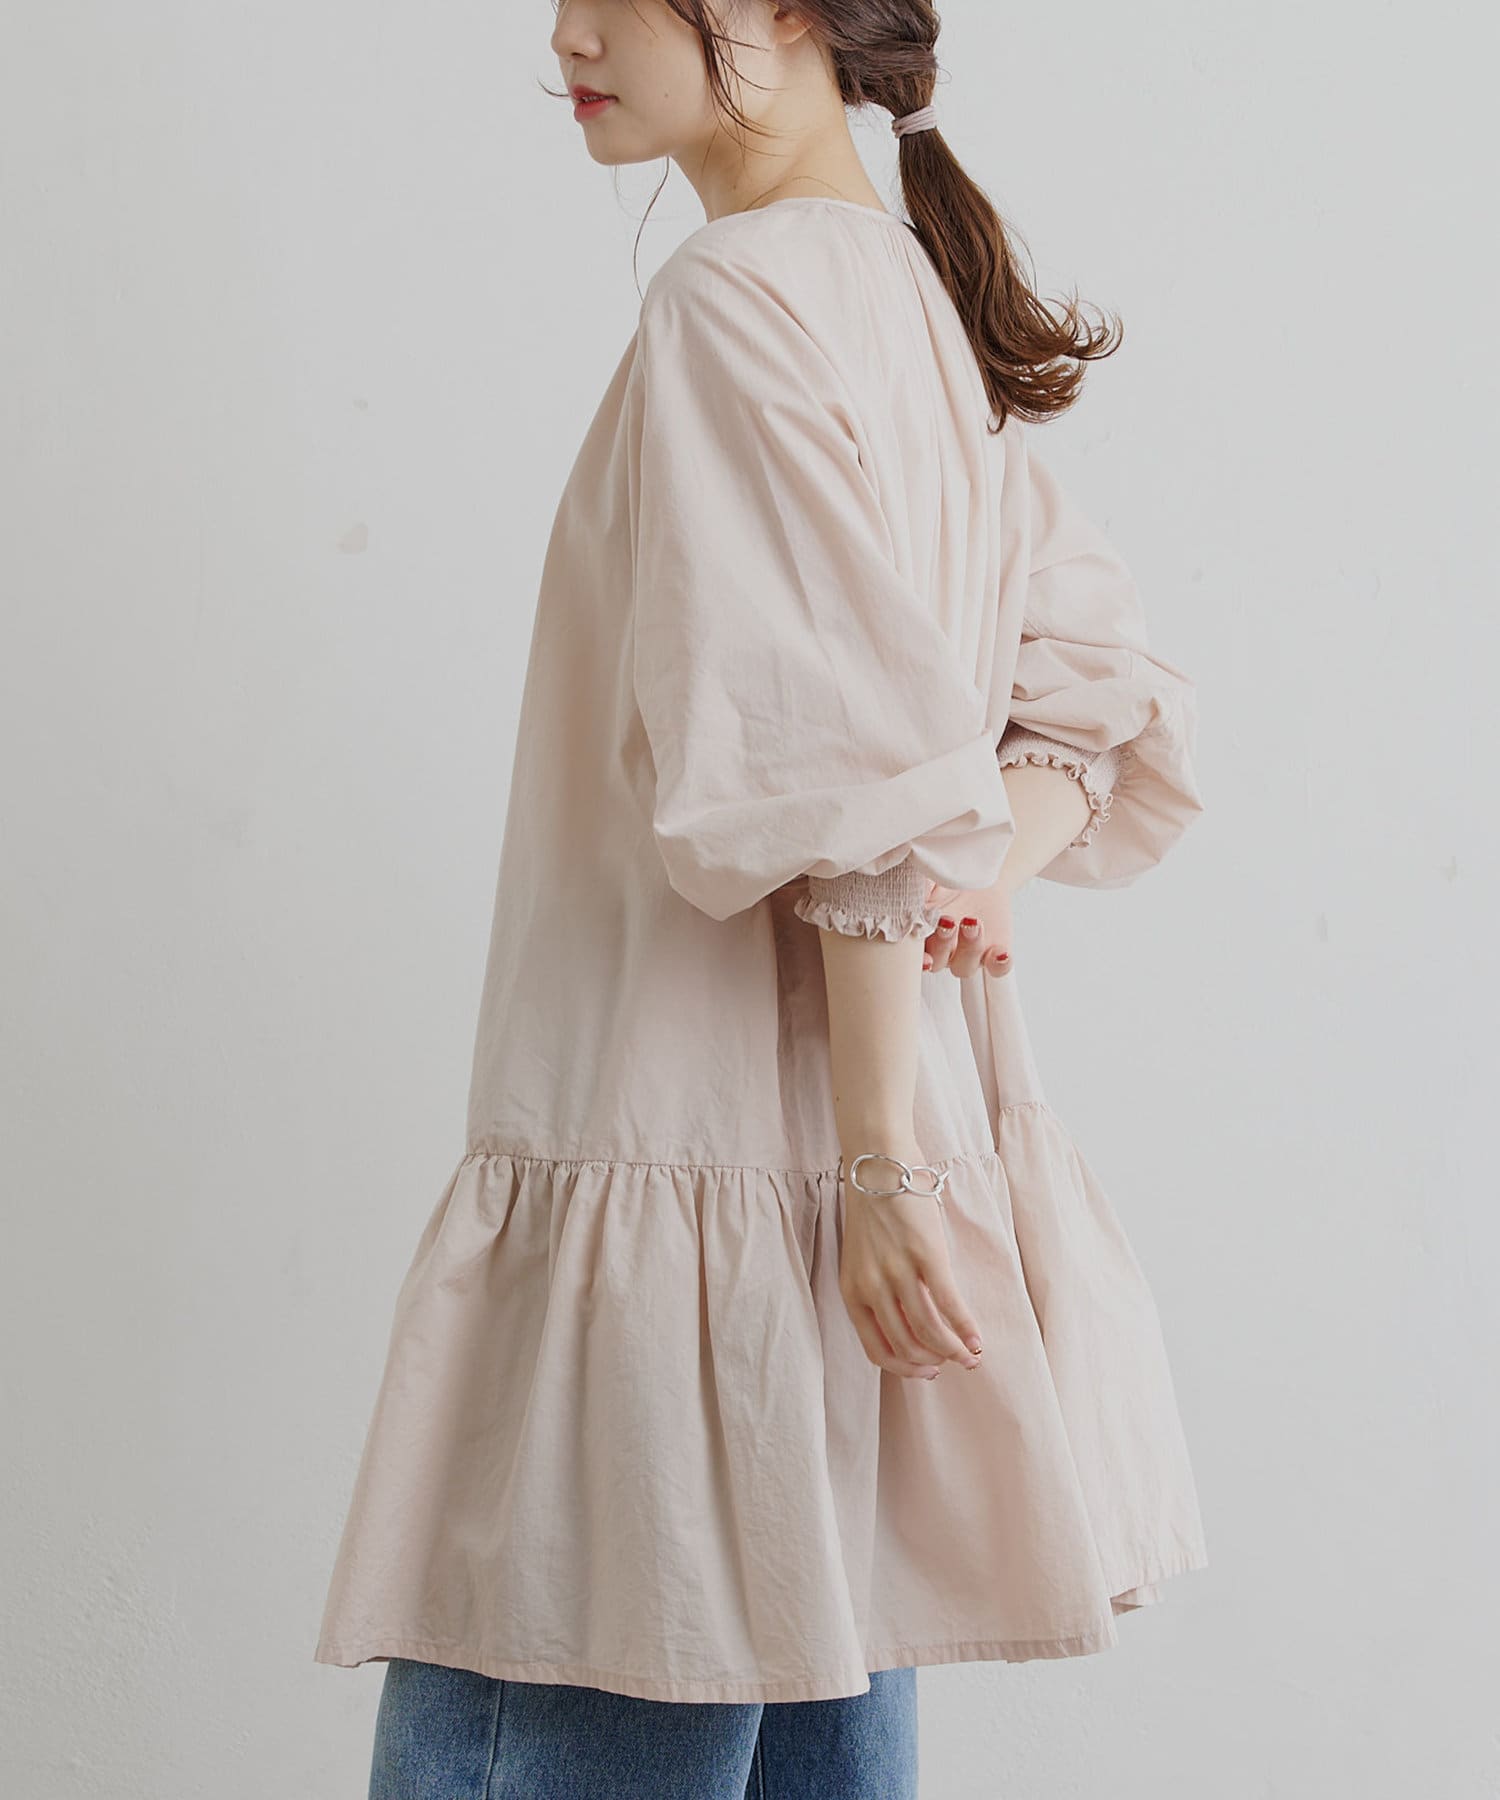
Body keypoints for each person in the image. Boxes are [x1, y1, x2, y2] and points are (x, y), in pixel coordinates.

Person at [314, 2, 1210, 1793]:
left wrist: (879, 1152)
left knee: (549, 1684)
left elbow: (848, 769)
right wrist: (979, 879)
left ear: (785, 12)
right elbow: (1081, 699)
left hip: (715, 1166)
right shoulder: (919, 304)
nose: (564, 29)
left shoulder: (731, 305)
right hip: (843, 1243)